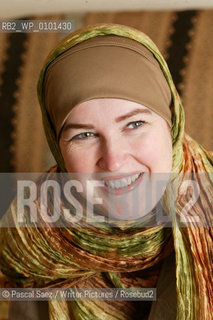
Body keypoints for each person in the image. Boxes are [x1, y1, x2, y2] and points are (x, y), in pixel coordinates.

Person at [0, 23, 212, 320]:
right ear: (59, 149)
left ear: (172, 123)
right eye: (84, 135)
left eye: (134, 124)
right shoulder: (35, 242)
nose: (113, 161)